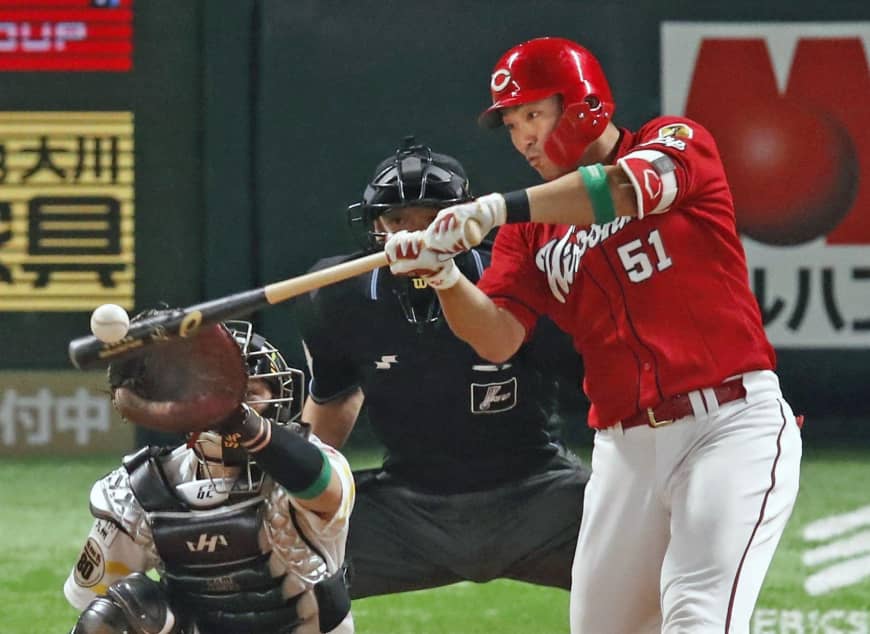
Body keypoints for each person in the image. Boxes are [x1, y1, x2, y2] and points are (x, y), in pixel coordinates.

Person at [384, 37, 803, 634]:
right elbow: (497, 338)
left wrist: (496, 208)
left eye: (533, 114)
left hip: (729, 427)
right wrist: (442, 274)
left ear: (582, 102)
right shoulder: (528, 234)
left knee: (698, 616)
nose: (522, 137)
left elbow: (625, 189)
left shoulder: (677, 143)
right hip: (625, 450)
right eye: (510, 124)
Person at [294, 136, 590, 600]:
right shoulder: (337, 294)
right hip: (404, 513)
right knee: (269, 556)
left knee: (657, 548)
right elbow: (332, 402)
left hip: (539, 499)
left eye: (433, 221)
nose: (414, 236)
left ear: (465, 222)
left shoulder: (516, 277)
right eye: (396, 220)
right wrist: (289, 498)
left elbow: (598, 394)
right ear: (375, 226)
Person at [64, 320, 355, 634]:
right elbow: (94, 603)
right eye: (219, 394)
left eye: (251, 394)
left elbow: (322, 488)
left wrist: (236, 417)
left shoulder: (311, 463)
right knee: (119, 611)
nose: (232, 401)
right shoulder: (142, 486)